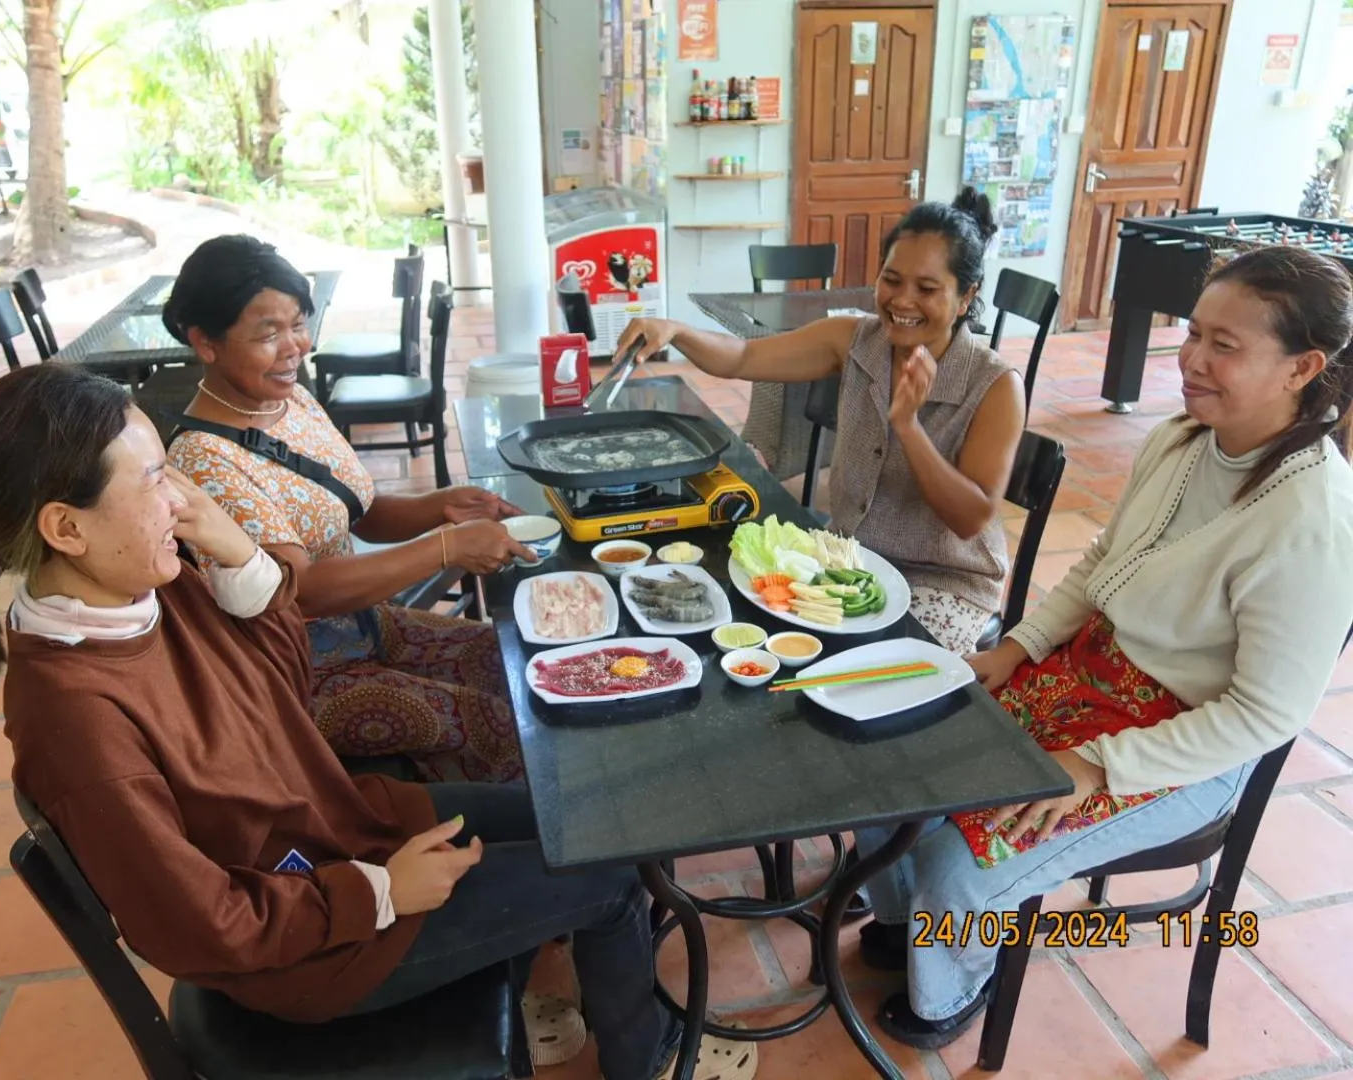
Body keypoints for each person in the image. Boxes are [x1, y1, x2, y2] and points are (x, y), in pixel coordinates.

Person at [0, 363, 758, 1080]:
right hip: (315, 947)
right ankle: (642, 1058)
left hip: (344, 830)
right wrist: (377, 893)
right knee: (608, 876)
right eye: (153, 479)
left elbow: (281, 684)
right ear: (66, 527)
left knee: (588, 811)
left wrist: (239, 556)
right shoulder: (75, 723)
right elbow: (198, 928)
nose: (180, 497)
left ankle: (543, 984)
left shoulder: (141, 587)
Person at [849, 244, 1353, 1049]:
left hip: (1179, 746)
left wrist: (1098, 767)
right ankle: (908, 922)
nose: (1191, 359)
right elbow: (1102, 563)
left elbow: (1263, 716)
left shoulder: (1313, 521)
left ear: (1303, 368)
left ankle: (947, 992)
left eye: (1225, 346)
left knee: (965, 860)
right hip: (1086, 672)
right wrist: (1017, 647)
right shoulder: (1186, 438)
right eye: (1193, 333)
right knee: (896, 760)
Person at [161, 235, 532, 781]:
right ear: (205, 342)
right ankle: (495, 848)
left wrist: (440, 507)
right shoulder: (203, 460)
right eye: (269, 333)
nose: (295, 346)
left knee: (514, 663)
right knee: (495, 721)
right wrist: (446, 547)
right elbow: (303, 589)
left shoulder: (288, 399)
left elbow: (356, 510)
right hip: (298, 675)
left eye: (298, 324)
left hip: (363, 624)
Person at [617, 188, 1025, 654]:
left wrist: (908, 427)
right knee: (755, 641)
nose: (902, 301)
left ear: (964, 296)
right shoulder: (854, 340)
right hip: (848, 560)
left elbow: (971, 517)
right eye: (891, 280)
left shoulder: (994, 385)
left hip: (944, 584)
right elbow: (746, 355)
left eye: (928, 289)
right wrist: (677, 331)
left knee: (872, 682)